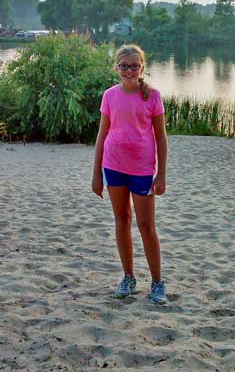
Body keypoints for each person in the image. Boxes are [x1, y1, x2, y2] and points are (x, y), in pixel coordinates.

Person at [92, 44, 169, 305]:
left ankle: (157, 282)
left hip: (143, 170)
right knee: (122, 220)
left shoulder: (153, 96)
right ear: (116, 67)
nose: (128, 70)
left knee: (146, 226)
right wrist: (96, 174)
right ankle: (128, 277)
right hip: (113, 166)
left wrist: (161, 175)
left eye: (134, 65)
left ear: (142, 68)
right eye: (124, 65)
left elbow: (161, 137)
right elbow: (102, 135)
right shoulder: (109, 96)